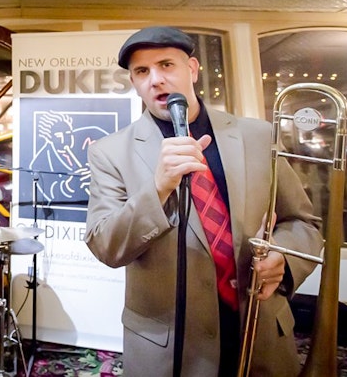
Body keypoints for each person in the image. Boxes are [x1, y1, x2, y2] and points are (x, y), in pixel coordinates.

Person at [85, 26, 323, 377]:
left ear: (192, 69)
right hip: (168, 348)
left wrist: (283, 258)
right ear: (134, 82)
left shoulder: (257, 136)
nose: (156, 80)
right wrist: (158, 188)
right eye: (142, 72)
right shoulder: (110, 153)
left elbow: (303, 222)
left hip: (259, 330)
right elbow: (106, 245)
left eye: (167, 65)